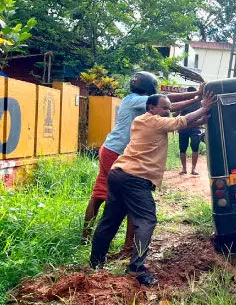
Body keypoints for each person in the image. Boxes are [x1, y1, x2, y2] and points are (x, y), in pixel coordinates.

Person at [89, 91, 215, 286]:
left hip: (119, 174)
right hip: (134, 178)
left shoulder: (144, 121)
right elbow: (181, 121)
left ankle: (95, 264)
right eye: (164, 107)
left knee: (110, 220)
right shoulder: (154, 121)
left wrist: (201, 119)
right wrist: (204, 107)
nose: (168, 110)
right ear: (151, 108)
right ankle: (136, 268)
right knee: (146, 221)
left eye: (169, 107)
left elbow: (181, 123)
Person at [81, 72, 203, 244]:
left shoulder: (129, 99)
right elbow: (169, 103)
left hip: (109, 148)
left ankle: (85, 237)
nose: (165, 108)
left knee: (99, 195)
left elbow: (169, 106)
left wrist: (196, 99)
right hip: (118, 153)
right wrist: (195, 96)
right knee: (133, 199)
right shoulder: (141, 101)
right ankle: (129, 246)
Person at [177, 87, 203, 176]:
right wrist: (178, 110)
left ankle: (193, 169)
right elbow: (175, 114)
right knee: (183, 148)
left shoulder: (199, 103)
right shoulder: (182, 103)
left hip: (195, 128)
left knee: (195, 147)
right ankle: (184, 169)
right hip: (184, 128)